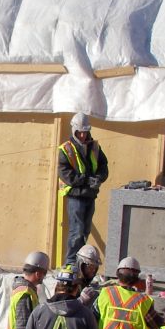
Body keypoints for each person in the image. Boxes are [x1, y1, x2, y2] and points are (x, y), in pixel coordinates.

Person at [58, 113, 109, 266]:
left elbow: (103, 166)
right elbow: (66, 174)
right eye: (80, 131)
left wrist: (99, 178)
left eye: (85, 131)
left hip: (89, 195)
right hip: (75, 196)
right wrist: (87, 180)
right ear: (74, 130)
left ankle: (80, 261)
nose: (82, 135)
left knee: (84, 231)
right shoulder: (66, 149)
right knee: (77, 231)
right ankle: (71, 263)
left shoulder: (94, 147)